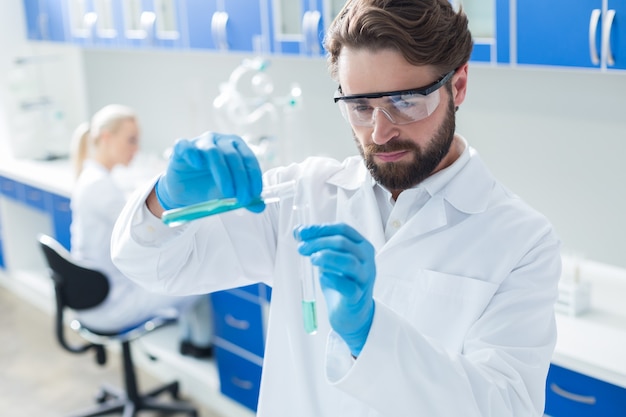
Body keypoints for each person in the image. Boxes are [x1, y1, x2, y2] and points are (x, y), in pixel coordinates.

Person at [111, 1, 561, 415]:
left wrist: (369, 333)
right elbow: (152, 266)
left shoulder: (520, 240)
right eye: (360, 106)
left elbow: (507, 407)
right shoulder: (304, 194)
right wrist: (168, 200)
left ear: (458, 85)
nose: (380, 132)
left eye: (405, 102)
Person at [70, 104, 213, 358]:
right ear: (106, 138)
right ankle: (198, 348)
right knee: (199, 286)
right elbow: (149, 229)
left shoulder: (90, 177)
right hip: (110, 304)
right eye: (131, 141)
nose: (136, 149)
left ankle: (189, 343)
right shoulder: (100, 188)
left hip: (89, 298)